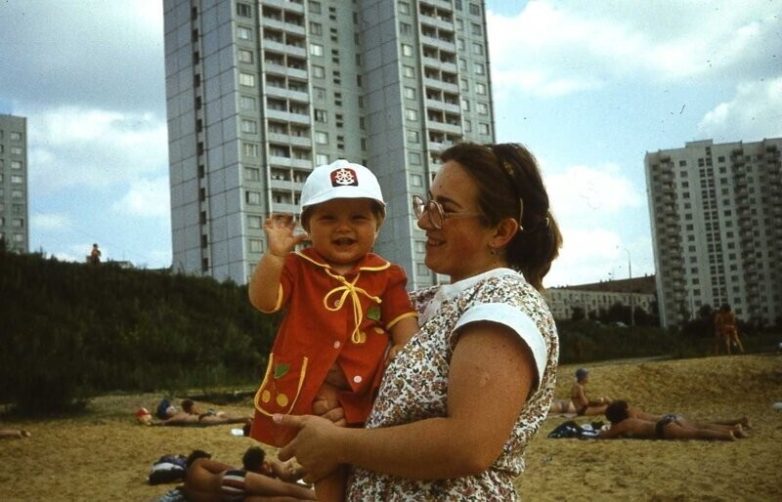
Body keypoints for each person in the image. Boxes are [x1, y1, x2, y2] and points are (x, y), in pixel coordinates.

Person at [273, 142, 563, 500]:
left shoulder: (505, 306)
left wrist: (340, 443)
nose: (425, 221)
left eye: (445, 210)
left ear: (500, 232)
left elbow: (468, 445)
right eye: (428, 204)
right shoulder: (420, 303)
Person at [247, 159, 420, 500]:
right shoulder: (298, 267)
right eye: (328, 218)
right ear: (308, 226)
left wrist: (405, 346)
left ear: (378, 225)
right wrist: (275, 257)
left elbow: (402, 318)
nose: (344, 227)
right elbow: (264, 301)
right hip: (311, 390)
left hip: (367, 390)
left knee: (371, 462)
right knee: (324, 464)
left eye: (358, 218)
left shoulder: (387, 274)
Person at [182, 449, 316, 501]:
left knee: (280, 499)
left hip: (228, 498)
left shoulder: (188, 490)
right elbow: (231, 470)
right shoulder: (199, 463)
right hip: (229, 479)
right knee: (289, 490)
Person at [598, 400, 742, 441]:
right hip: (669, 417)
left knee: (696, 433)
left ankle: (727, 435)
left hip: (662, 428)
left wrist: (603, 430)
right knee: (700, 426)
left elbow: (604, 436)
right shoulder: (636, 414)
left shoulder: (625, 424)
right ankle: (734, 428)